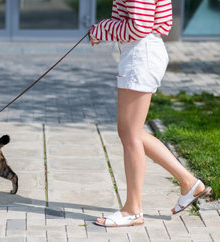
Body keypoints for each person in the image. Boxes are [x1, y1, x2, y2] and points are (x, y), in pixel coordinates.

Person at [89, 0, 211, 227]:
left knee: (130, 135)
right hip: (141, 52)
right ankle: (189, 183)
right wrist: (105, 29)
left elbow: (139, 26)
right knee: (130, 132)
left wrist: (102, 29)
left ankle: (132, 210)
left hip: (140, 53)